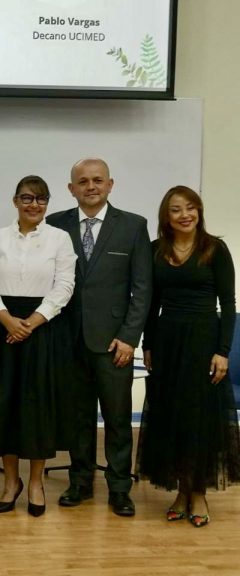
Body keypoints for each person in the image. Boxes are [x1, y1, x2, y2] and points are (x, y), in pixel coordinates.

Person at [46, 158, 152, 517]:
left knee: (118, 419)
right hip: (68, 340)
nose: (90, 186)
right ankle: (80, 482)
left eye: (97, 180)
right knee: (78, 417)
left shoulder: (133, 226)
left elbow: (142, 289)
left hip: (113, 343)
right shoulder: (55, 224)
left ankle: (120, 488)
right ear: (71, 188)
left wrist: (129, 338)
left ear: (110, 184)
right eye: (82, 181)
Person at [0, 175, 76, 517]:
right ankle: (10, 482)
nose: (34, 204)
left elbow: (64, 286)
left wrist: (30, 323)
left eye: (41, 199)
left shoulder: (60, 239)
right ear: (15, 201)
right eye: (27, 198)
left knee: (37, 408)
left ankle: (35, 483)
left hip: (42, 329)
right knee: (4, 406)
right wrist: (7, 320)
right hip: (2, 328)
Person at [137, 185, 240, 527]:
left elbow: (228, 304)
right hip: (167, 342)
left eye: (191, 207)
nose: (185, 215)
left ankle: (198, 493)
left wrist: (222, 352)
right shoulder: (155, 250)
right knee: (172, 416)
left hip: (203, 340)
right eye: (176, 209)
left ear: (199, 211)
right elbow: (151, 304)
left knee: (198, 419)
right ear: (166, 217)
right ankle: (181, 491)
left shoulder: (215, 248)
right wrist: (148, 344)